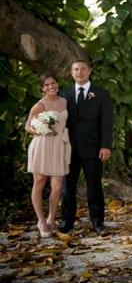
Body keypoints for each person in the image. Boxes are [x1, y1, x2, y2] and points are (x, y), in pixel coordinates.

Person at [59, 60, 113, 234]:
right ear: (71, 72)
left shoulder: (102, 94)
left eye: (82, 69)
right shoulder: (64, 94)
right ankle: (67, 221)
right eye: (75, 69)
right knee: (68, 186)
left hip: (93, 147)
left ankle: (97, 222)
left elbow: (107, 122)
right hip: (68, 148)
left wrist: (105, 145)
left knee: (94, 186)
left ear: (89, 71)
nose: (79, 72)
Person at [25, 72, 71, 237]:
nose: (51, 87)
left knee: (57, 186)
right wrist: (39, 130)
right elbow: (28, 126)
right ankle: (41, 220)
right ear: (42, 88)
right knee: (39, 182)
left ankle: (52, 217)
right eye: (47, 85)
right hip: (42, 146)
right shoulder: (39, 105)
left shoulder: (64, 101)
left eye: (53, 83)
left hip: (59, 145)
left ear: (58, 84)